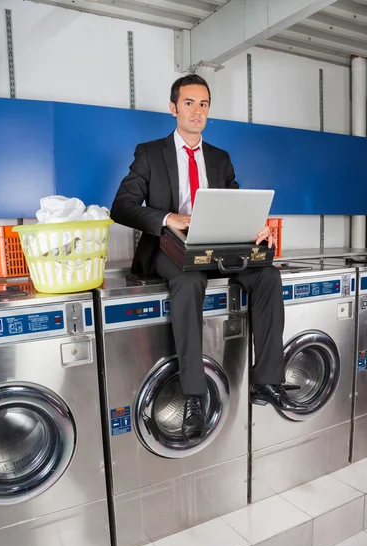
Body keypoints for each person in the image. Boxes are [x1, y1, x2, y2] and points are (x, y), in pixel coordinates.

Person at [111, 74, 302, 442]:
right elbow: (122, 207)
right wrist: (169, 217)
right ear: (173, 108)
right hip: (170, 245)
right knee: (187, 282)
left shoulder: (220, 158)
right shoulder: (149, 153)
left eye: (203, 104)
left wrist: (256, 226)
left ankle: (266, 381)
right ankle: (195, 396)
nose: (196, 111)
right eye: (188, 103)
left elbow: (234, 202)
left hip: (216, 245)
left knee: (268, 276)